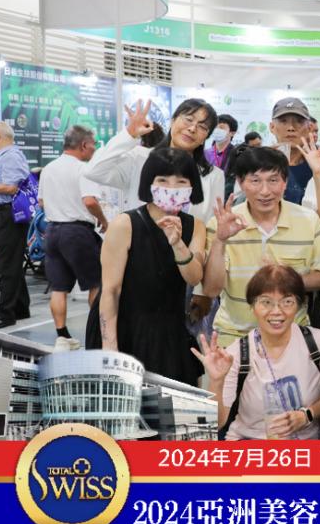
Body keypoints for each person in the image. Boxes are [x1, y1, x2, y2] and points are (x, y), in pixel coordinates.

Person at [84, 148, 208, 384]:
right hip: (124, 325)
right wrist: (110, 347)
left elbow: (193, 277)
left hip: (169, 326)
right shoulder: (125, 224)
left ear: (192, 186)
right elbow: (110, 290)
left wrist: (178, 244)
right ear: (149, 183)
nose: (171, 188)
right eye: (162, 180)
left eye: (181, 182)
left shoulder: (196, 226)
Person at [194, 264, 320, 440]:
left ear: (299, 305)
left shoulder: (318, 342)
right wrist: (216, 382)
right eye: (266, 302)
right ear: (252, 306)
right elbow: (217, 423)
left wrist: (307, 415)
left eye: (287, 302)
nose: (277, 311)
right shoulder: (237, 353)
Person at [203, 147, 320, 347]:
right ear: (240, 183)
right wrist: (220, 240)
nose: (265, 191)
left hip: (292, 335)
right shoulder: (221, 224)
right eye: (255, 181)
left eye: (273, 180)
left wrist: (283, 279)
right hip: (235, 336)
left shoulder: (308, 221)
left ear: (285, 182)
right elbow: (211, 289)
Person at [85, 98, 223, 222]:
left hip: (187, 243)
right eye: (188, 119)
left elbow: (211, 224)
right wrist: (129, 134)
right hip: (138, 241)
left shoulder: (214, 176)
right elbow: (94, 171)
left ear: (205, 138)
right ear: (173, 121)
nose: (192, 128)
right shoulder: (139, 158)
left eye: (202, 127)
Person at [38, 126, 108, 346]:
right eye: (93, 144)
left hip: (52, 232)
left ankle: (63, 337)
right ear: (84, 145)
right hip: (77, 233)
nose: (94, 148)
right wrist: (103, 219)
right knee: (96, 283)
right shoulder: (84, 169)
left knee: (59, 288)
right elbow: (90, 201)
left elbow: (41, 202)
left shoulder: (48, 168)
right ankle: (98, 334)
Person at [0, 121, 33, 328]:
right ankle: (20, 307)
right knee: (9, 262)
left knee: (8, 264)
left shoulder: (11, 156)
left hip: (7, 214)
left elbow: (11, 187)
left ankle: (5, 313)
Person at [266, 97, 317, 205]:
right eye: (283, 121)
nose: (291, 128)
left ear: (309, 127)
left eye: (299, 121)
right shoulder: (259, 163)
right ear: (272, 127)